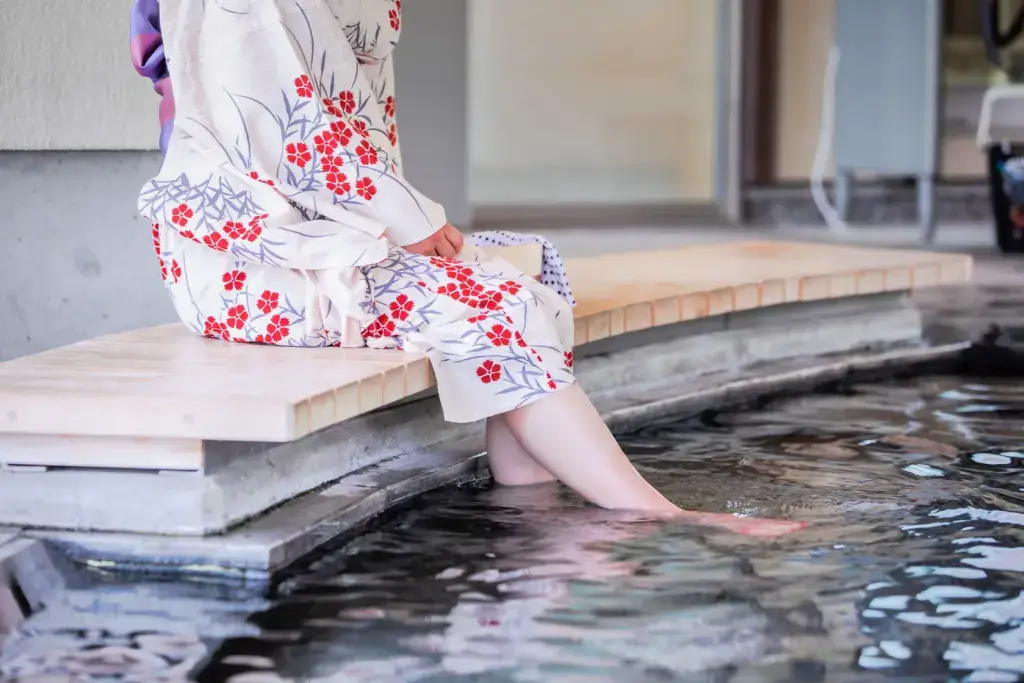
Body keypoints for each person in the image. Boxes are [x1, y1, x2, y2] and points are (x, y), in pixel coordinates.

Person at [130, 0, 802, 534]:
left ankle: (532, 511)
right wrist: (407, 220)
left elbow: (350, 123)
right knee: (495, 306)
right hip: (249, 253)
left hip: (332, 223)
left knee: (529, 269)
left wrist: (398, 219)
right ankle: (659, 516)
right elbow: (282, 134)